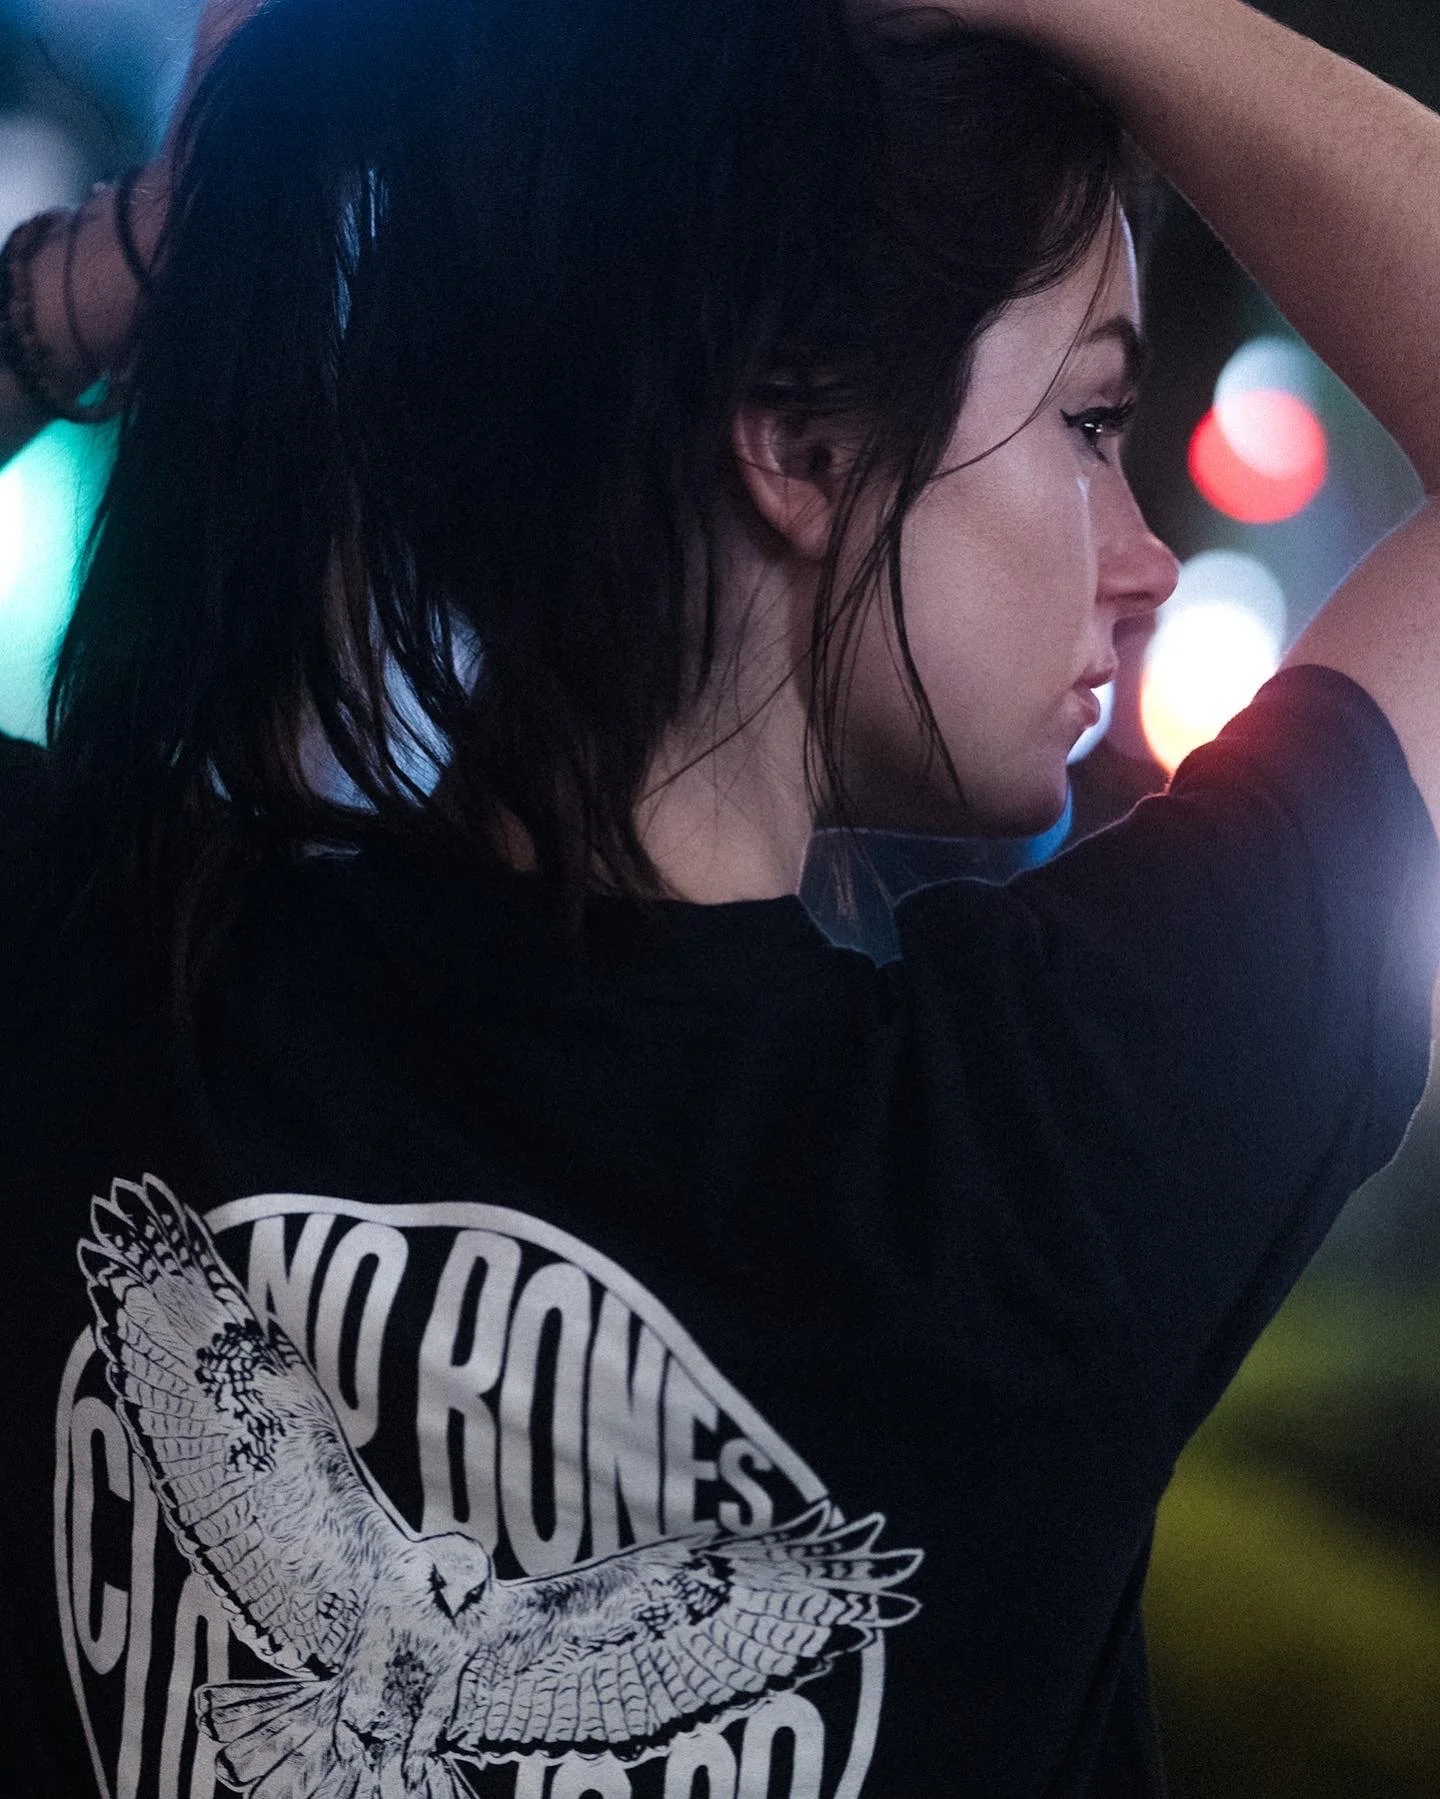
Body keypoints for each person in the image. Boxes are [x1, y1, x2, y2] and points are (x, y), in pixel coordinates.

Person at [3, 0, 1440, 1792]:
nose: (1147, 561)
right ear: (802, 444)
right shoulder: (1041, 1137)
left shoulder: (96, 957)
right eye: (1089, 420)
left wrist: (138, 261)